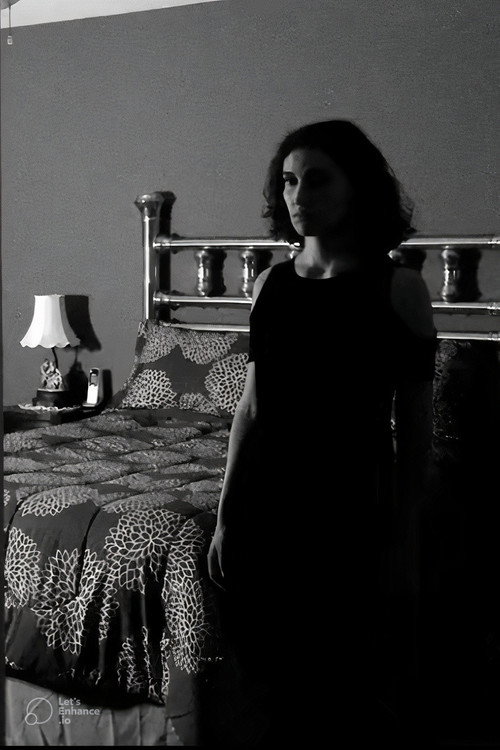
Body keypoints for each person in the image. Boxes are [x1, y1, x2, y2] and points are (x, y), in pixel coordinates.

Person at [207, 120, 437, 747]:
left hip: (350, 504)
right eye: (288, 181)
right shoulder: (270, 285)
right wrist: (226, 515)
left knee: (340, 685)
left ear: (355, 186)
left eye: (316, 179)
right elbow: (251, 408)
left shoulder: (399, 289)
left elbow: (416, 432)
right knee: (270, 681)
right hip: (268, 503)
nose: (297, 195)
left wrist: (404, 540)